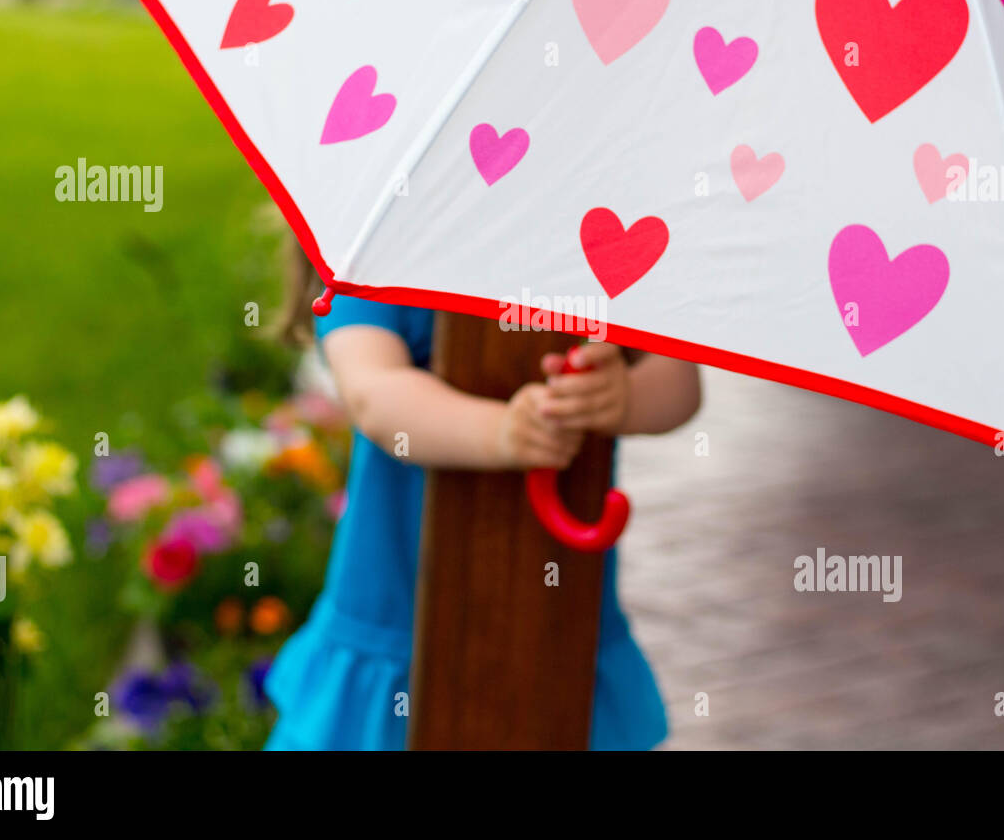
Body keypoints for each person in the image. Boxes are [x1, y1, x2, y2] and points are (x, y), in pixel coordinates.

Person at [264, 254, 701, 750]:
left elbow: (680, 380)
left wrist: (624, 397)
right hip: (399, 616)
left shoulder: (583, 234)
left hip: (561, 619)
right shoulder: (388, 246)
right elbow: (374, 392)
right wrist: (500, 434)